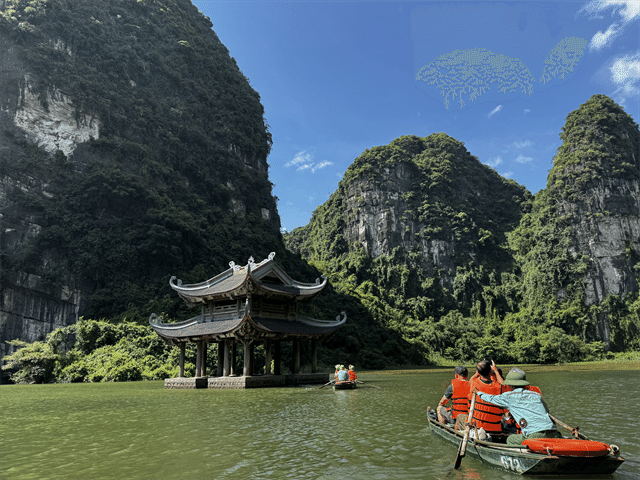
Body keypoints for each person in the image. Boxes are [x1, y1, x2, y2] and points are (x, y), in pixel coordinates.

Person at [471, 368, 562, 446]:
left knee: (510, 439)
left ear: (510, 385)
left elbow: (490, 398)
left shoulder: (509, 396)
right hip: (555, 433)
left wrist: (478, 392)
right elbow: (546, 411)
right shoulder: (536, 395)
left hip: (535, 435)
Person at [467, 359, 505, 439]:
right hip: (495, 429)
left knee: (460, 417)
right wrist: (495, 370)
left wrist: (478, 371)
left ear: (478, 372)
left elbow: (470, 380)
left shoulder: (474, 383)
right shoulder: (498, 387)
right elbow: (504, 385)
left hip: (477, 428)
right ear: (491, 372)